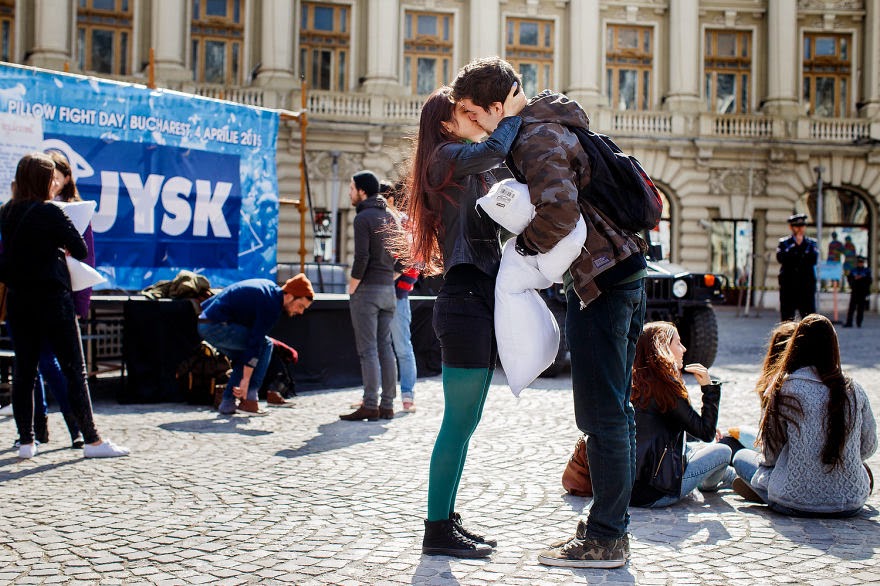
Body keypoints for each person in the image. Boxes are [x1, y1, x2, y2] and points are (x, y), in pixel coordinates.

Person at [452, 57, 646, 568]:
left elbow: (559, 215)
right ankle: (610, 527)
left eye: (474, 113)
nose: (472, 124)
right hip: (621, 270)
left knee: (601, 413)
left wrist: (522, 251)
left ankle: (606, 538)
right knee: (614, 411)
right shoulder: (547, 123)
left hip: (600, 279)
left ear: (496, 106)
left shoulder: (535, 137)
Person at [403, 84, 524, 558]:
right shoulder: (445, 158)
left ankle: (446, 520)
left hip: (477, 299)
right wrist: (509, 114)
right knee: (456, 422)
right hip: (464, 300)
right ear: (444, 123)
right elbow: (498, 146)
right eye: (464, 113)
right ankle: (436, 531)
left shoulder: (465, 165)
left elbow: (506, 167)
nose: (475, 119)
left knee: (466, 421)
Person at [0, 152, 128, 459]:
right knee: (74, 370)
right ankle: (92, 441)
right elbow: (81, 249)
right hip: (52, 300)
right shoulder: (51, 212)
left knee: (25, 372)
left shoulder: (6, 212)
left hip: (19, 301)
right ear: (44, 180)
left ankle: (27, 442)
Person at [731, 314, 877, 517]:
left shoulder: (783, 389)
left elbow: (770, 455)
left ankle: (765, 491)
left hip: (794, 501)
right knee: (863, 469)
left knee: (740, 457)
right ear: (834, 347)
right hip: (849, 503)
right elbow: (868, 447)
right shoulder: (854, 390)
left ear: (795, 346)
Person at [629, 322, 734, 508]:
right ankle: (714, 481)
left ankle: (727, 476)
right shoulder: (665, 387)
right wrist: (708, 388)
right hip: (659, 491)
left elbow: (660, 424)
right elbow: (707, 432)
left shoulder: (634, 381)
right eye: (678, 343)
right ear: (662, 347)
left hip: (629, 489)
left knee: (694, 447)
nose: (684, 349)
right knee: (723, 451)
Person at [30, 151, 93, 448]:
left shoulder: (74, 211)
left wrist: (81, 305)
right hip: (34, 296)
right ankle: (38, 428)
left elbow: (86, 256)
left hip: (63, 297)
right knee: (37, 363)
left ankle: (74, 424)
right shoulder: (28, 209)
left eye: (57, 175)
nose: (53, 181)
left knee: (59, 366)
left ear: (67, 178)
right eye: (48, 176)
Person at [198, 274, 313, 415]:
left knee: (245, 357)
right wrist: (246, 380)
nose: (300, 312)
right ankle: (249, 400)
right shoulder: (272, 305)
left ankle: (228, 404)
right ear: (290, 295)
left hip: (206, 322)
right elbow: (255, 342)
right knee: (265, 345)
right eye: (300, 306)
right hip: (215, 325)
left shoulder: (269, 288)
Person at [339, 171, 398, 422]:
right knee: (385, 348)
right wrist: (388, 278)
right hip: (388, 291)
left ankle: (370, 404)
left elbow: (361, 256)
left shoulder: (364, 217)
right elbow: (403, 259)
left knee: (368, 350)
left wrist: (352, 285)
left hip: (368, 291)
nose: (350, 193)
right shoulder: (389, 217)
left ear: (362, 191)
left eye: (352, 188)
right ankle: (387, 405)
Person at [381, 180, 420, 413]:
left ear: (391, 200)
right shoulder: (380, 221)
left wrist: (390, 279)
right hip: (383, 292)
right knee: (379, 348)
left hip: (396, 294)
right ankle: (378, 395)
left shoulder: (406, 223)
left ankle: (407, 395)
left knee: (402, 347)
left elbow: (413, 260)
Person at [776, 213, 818, 321]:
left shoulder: (811, 243)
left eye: (802, 226)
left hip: (806, 286)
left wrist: (801, 247)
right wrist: (795, 247)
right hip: (789, 286)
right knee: (787, 317)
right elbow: (781, 258)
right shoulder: (784, 243)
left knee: (808, 318)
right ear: (791, 227)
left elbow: (813, 259)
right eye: (797, 226)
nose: (800, 229)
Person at [844, 255, 872, 328]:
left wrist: (862, 278)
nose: (860, 264)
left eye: (861, 262)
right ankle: (849, 322)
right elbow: (849, 278)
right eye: (859, 262)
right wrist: (854, 279)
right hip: (855, 291)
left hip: (862, 292)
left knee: (860, 309)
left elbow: (869, 281)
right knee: (851, 308)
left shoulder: (866, 271)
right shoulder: (854, 270)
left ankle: (859, 323)